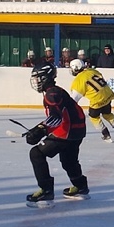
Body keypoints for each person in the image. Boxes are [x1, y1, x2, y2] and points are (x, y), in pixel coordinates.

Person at [23, 62, 89, 206]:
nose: (36, 82)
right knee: (68, 161)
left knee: (36, 153)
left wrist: (40, 130)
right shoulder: (54, 91)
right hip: (77, 130)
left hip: (67, 131)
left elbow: (56, 117)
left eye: (38, 78)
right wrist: (40, 128)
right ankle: (81, 186)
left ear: (46, 77)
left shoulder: (51, 93)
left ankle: (46, 191)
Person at [69, 58, 114, 142]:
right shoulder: (92, 71)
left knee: (94, 117)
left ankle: (106, 134)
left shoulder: (79, 79)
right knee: (107, 114)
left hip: (97, 100)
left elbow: (74, 98)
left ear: (76, 68)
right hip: (107, 96)